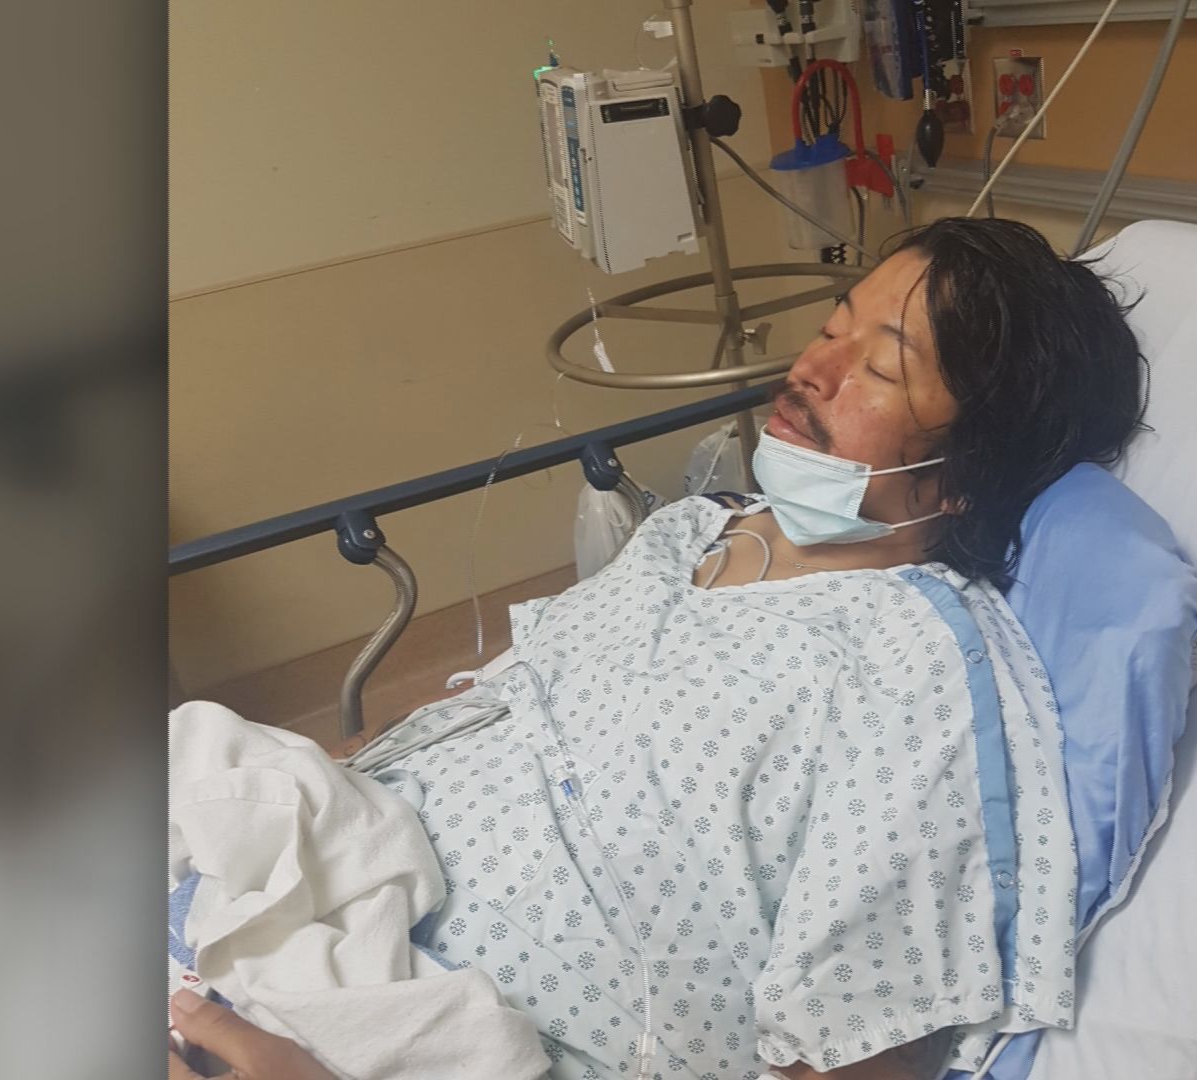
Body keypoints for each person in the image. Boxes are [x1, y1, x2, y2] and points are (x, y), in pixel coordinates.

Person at [177, 217, 1148, 1080]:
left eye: (881, 368)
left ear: (967, 474)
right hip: (272, 883)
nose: (811, 369)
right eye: (831, 327)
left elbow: (857, 1054)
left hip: (367, 1024)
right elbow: (515, 707)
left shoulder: (914, 678)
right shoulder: (697, 528)